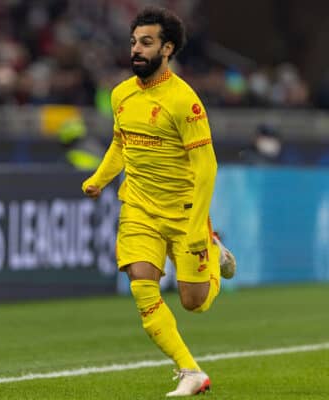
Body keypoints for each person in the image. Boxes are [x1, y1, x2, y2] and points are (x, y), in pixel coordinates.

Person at [81, 7, 235, 397]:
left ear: (167, 48)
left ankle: (213, 253)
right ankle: (190, 370)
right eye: (134, 41)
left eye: (146, 43)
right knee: (141, 285)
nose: (136, 49)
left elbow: (207, 167)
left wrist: (200, 228)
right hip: (138, 207)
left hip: (184, 213)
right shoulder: (120, 94)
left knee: (193, 302)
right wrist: (99, 179)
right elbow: (121, 143)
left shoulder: (185, 101)